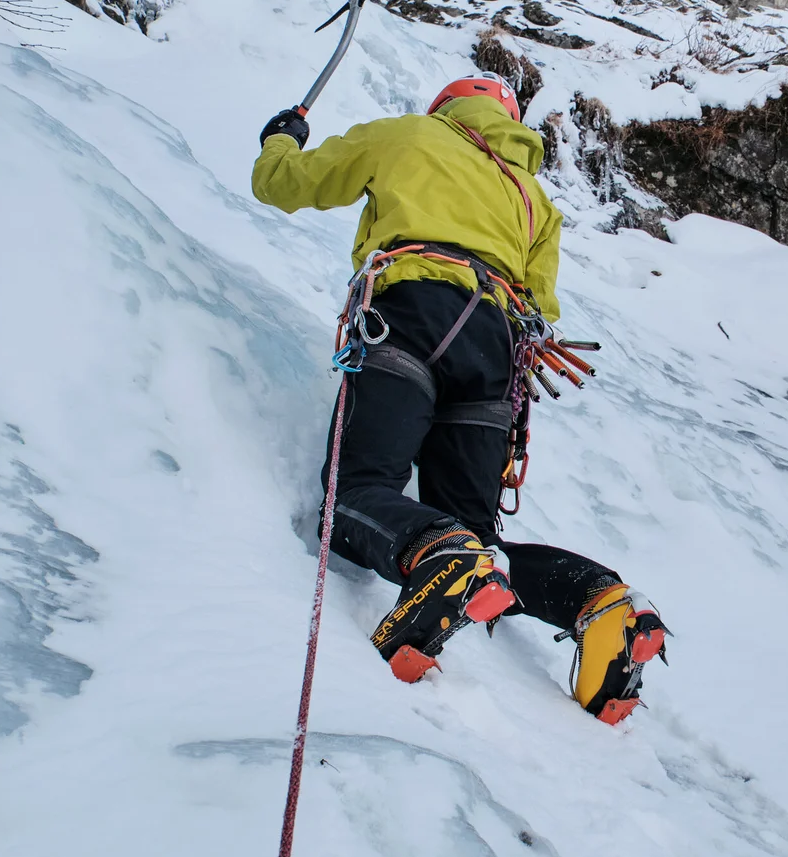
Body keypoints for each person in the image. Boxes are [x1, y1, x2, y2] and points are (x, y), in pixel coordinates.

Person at [252, 72, 668, 723]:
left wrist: (282, 139)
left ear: (447, 109)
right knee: (476, 538)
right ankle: (598, 602)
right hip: (497, 347)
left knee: (357, 492)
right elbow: (542, 305)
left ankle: (439, 557)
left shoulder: (409, 135)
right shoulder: (534, 199)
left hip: (414, 313)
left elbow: (284, 184)